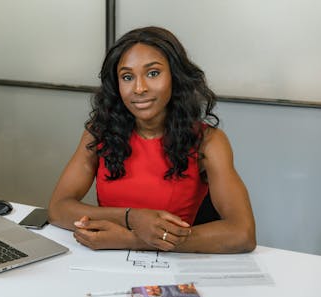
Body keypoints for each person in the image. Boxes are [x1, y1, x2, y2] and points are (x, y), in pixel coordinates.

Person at [48, 26, 256, 253]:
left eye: (153, 73)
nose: (139, 88)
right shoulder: (99, 133)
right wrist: (132, 218)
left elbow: (242, 233)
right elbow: (59, 209)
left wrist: (133, 240)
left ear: (175, 77)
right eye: (127, 77)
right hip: (106, 262)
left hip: (173, 266)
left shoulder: (209, 142)